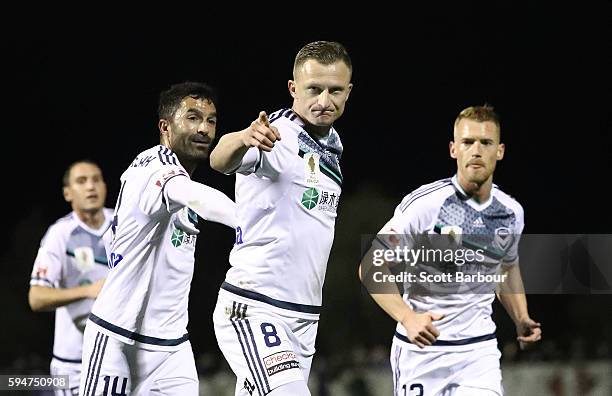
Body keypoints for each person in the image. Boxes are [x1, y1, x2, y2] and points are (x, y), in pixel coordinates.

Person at [359, 105, 542, 396]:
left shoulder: (510, 212)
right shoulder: (424, 206)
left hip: (478, 352)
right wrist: (408, 318)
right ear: (453, 149)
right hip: (422, 353)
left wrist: (521, 317)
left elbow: (505, 268)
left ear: (500, 150)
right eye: (468, 142)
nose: (477, 150)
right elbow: (371, 266)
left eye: (486, 142)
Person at [209, 41, 353, 396]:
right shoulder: (277, 134)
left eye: (335, 91)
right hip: (256, 307)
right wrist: (243, 138)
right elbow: (220, 160)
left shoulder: (331, 145)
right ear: (293, 89)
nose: (324, 101)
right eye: (313, 89)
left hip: (304, 318)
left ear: (348, 91)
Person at [78, 82, 237, 396]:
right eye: (192, 118)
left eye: (211, 121)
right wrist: (248, 223)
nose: (204, 129)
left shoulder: (180, 174)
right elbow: (192, 195)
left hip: (171, 348)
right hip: (118, 340)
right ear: (165, 126)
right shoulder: (153, 167)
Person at [29, 160, 111, 395]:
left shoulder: (123, 225)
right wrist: (87, 291)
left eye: (96, 179)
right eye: (81, 181)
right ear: (68, 193)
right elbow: (36, 297)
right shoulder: (60, 234)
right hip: (75, 364)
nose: (90, 187)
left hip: (120, 355)